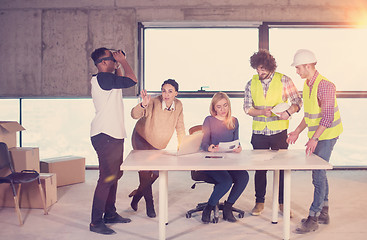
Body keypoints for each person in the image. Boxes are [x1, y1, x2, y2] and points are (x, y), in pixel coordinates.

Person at [287, 49, 343, 233]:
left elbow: (326, 118)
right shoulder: (307, 85)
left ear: (308, 66)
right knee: (320, 173)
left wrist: (314, 139)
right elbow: (309, 116)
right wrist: (296, 131)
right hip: (318, 135)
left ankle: (314, 217)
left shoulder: (325, 85)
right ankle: (324, 211)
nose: (297, 71)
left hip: (327, 135)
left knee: (317, 175)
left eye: (298, 68)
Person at [243, 49, 303, 216]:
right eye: (257, 69)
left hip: (279, 132)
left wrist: (289, 112)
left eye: (262, 68)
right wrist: (262, 112)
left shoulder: (284, 80)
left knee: (282, 169)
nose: (259, 72)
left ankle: (283, 203)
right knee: (260, 169)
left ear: (270, 67)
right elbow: (247, 108)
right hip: (259, 132)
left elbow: (298, 101)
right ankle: (259, 202)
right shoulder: (251, 83)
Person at [89, 47, 138, 235]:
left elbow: (122, 80)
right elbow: (132, 80)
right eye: (111, 58)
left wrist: (117, 63)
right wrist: (124, 61)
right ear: (102, 63)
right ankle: (95, 222)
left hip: (113, 135)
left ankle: (110, 214)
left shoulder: (108, 80)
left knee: (114, 177)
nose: (115, 60)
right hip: (106, 135)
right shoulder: (103, 78)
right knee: (106, 179)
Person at [129, 79, 185, 218]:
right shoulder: (153, 102)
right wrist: (143, 104)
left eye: (170, 91)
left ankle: (137, 196)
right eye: (164, 90)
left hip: (157, 144)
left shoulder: (178, 105)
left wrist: (182, 146)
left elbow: (180, 127)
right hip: (141, 138)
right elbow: (134, 115)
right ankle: (150, 204)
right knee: (145, 173)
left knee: (157, 173)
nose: (166, 94)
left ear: (176, 93)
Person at [200, 92, 249, 223]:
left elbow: (236, 142)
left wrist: (239, 148)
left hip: (229, 162)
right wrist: (208, 147)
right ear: (214, 108)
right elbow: (203, 143)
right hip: (212, 162)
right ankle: (208, 208)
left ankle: (228, 207)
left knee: (244, 176)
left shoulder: (234, 121)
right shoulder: (209, 120)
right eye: (219, 106)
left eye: (225, 105)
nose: (223, 110)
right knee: (226, 181)